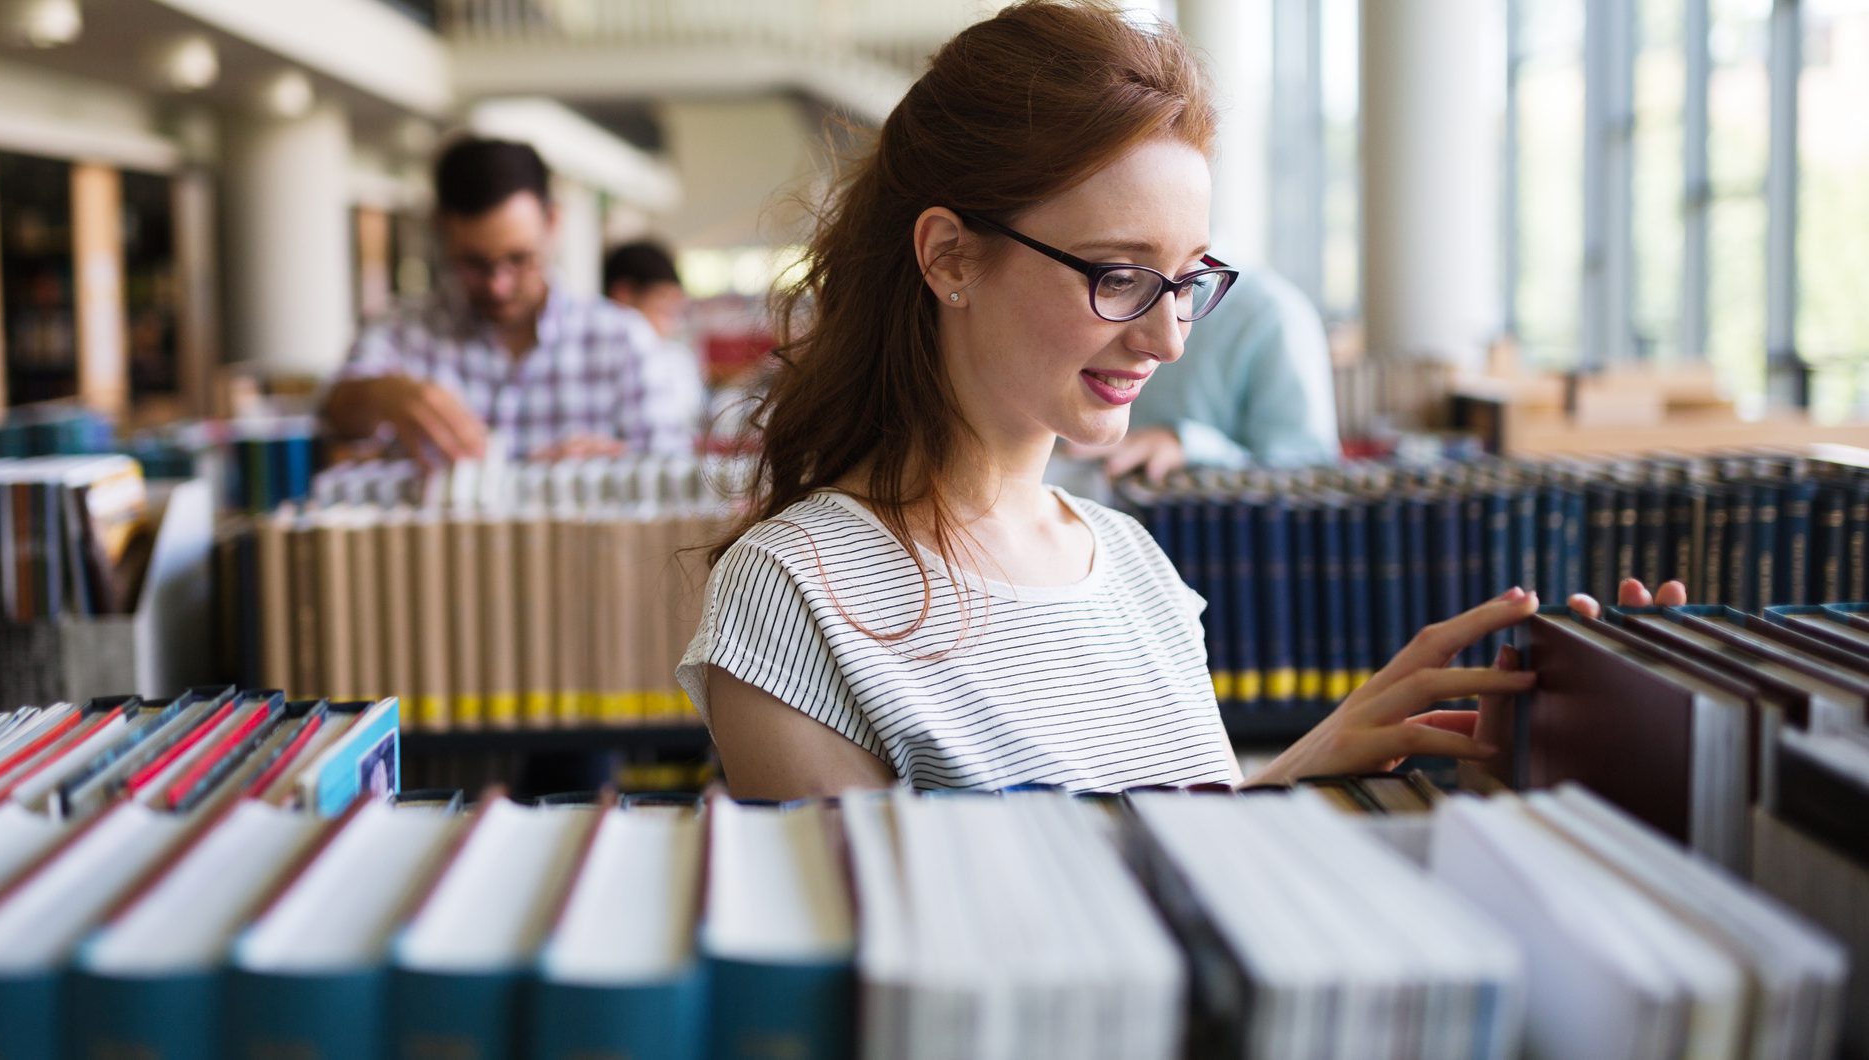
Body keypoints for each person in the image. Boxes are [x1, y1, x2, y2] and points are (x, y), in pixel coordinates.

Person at [675, 1, 1683, 800]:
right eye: (1116, 275)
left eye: (1187, 280)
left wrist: (1345, 760)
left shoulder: (1132, 566)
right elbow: (934, 981)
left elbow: (1177, 864)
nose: (1165, 336)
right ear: (948, 257)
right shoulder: (793, 594)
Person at [323, 138, 699, 463]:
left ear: (552, 222)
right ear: (441, 230)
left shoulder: (624, 340)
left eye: (519, 259)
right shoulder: (399, 330)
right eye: (473, 263)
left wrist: (616, 472)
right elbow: (335, 414)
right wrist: (380, 392)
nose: (498, 286)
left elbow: (673, 471)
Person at [1059, 262, 1340, 483]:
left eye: (1193, 283)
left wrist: (1189, 445)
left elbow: (1308, 473)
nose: (1172, 347)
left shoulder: (1271, 313)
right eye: (1117, 280)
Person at [603, 240, 707, 438]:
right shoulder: (597, 357)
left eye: (676, 308)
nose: (672, 321)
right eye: (663, 303)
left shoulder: (676, 359)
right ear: (623, 295)